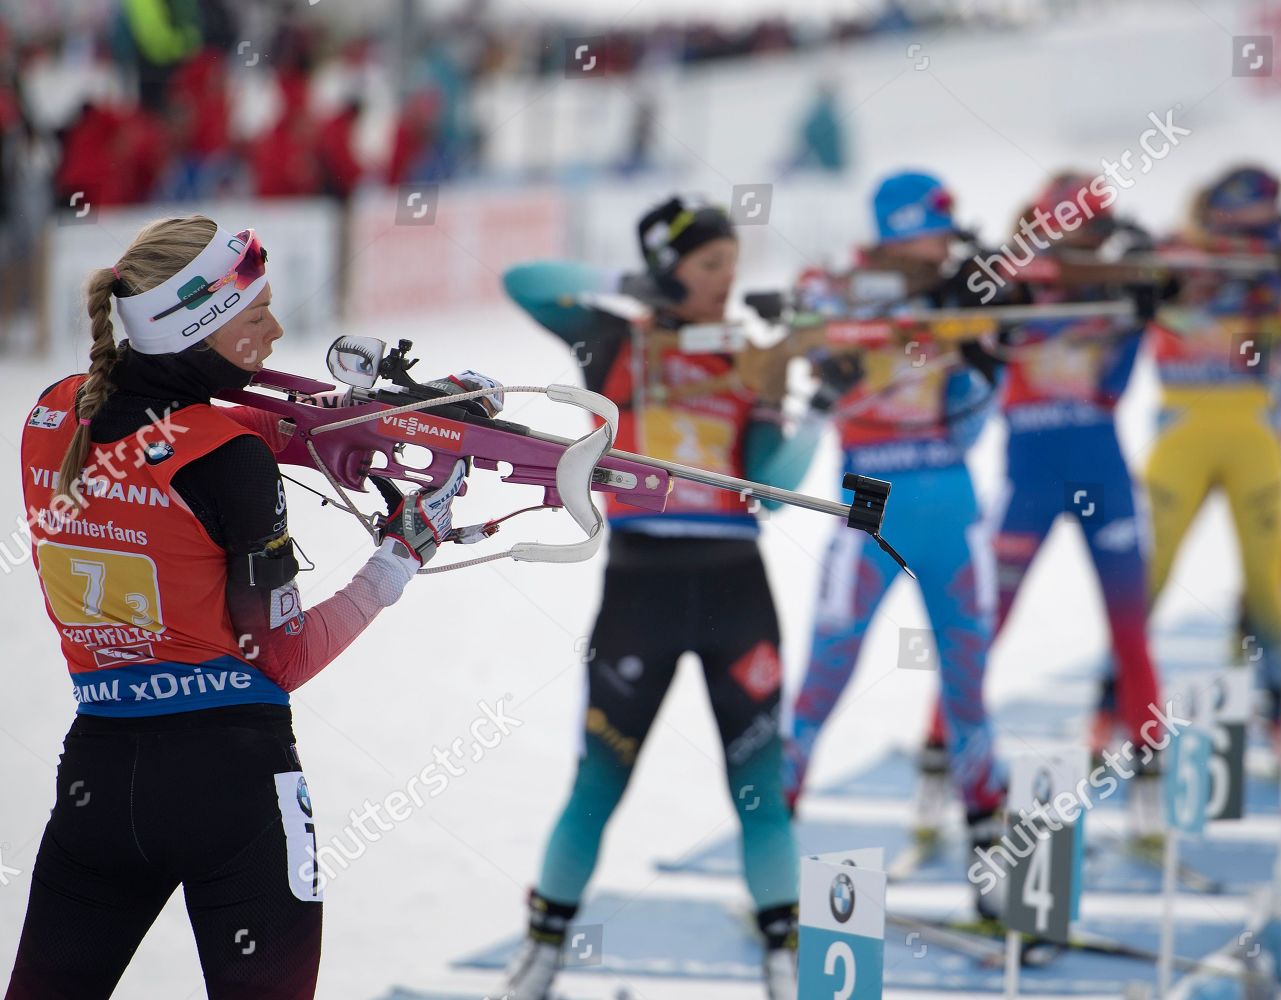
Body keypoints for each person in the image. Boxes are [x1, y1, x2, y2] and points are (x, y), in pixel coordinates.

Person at [6, 217, 469, 999]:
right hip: (233, 788)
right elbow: (279, 658)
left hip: (98, 778)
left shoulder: (52, 415)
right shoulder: (231, 460)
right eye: (255, 316)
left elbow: (172, 431)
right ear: (197, 329)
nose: (277, 330)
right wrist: (394, 563)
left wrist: (355, 425)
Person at [500, 196, 829, 1000]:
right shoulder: (616, 338)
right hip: (639, 588)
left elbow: (773, 493)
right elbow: (524, 282)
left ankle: (785, 962)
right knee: (598, 784)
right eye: (710, 265)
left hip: (735, 590)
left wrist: (817, 407)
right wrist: (626, 285)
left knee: (758, 791)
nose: (725, 283)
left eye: (734, 269)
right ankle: (541, 955)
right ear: (668, 268)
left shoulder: (748, 357)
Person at [780, 171, 1004, 898]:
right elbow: (804, 319)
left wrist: (979, 350)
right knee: (825, 672)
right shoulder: (837, 288)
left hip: (946, 488)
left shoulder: (959, 295)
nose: (947, 245)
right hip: (871, 492)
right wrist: (835, 345)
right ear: (903, 233)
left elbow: (975, 419)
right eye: (936, 231)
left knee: (968, 686)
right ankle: (773, 859)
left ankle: (990, 855)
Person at [967, 172, 1162, 787]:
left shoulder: (1109, 291)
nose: (1081, 242)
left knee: (1130, 625)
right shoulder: (1008, 283)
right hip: (1028, 480)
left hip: (1101, 473)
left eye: (1093, 231)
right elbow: (981, 369)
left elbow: (1110, 389)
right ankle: (946, 747)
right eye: (1072, 228)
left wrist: (1135, 318)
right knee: (985, 622)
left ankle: (1147, 750)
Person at [1143, 166, 1281, 749]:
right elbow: (1145, 301)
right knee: (1150, 571)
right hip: (1183, 427)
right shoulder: (1171, 255)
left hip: (1254, 428)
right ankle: (1116, 701)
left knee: (1265, 576)